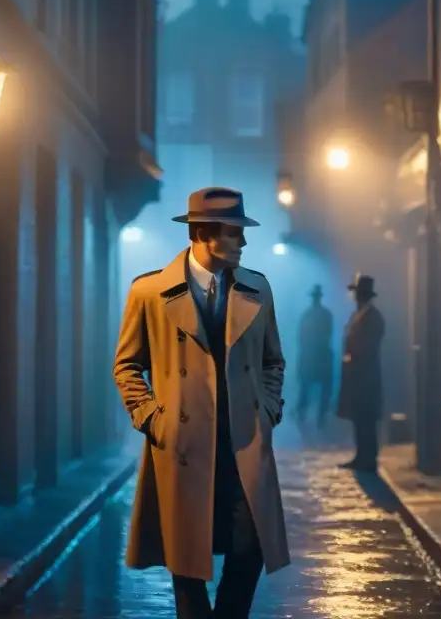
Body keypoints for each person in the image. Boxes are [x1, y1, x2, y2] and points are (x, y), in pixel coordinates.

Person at [112, 187, 290, 619]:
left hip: (243, 444)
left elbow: (273, 362)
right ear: (202, 234)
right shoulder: (150, 292)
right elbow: (127, 366)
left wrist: (266, 411)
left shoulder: (258, 290)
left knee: (250, 548)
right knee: (186, 563)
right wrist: (154, 420)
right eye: (234, 233)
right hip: (183, 446)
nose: (243, 244)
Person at [336, 273, 385, 472]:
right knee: (359, 418)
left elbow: (366, 346)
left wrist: (353, 357)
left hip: (365, 375)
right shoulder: (360, 315)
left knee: (366, 418)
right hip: (357, 374)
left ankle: (368, 458)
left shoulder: (372, 317)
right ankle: (361, 455)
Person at [294, 284, 333, 428]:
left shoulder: (308, 315)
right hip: (316, 356)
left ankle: (310, 415)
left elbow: (301, 338)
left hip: (314, 356)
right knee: (310, 388)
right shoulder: (321, 315)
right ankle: (309, 415)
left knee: (308, 388)